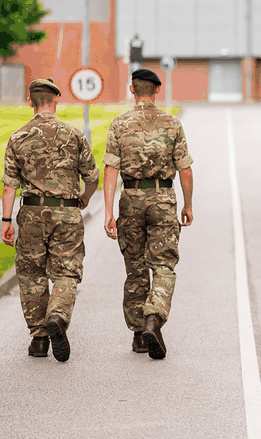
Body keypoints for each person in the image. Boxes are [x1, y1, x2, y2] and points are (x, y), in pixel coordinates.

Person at [1, 78, 99, 362]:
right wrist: (84, 199)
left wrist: (6, 220)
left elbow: (10, 186)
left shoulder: (18, 137)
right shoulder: (74, 134)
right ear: (56, 100)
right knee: (66, 271)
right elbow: (92, 176)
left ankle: (40, 338)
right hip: (67, 211)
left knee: (31, 273)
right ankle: (57, 315)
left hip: (31, 213)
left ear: (30, 102)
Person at [103, 68, 193, 359]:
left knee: (136, 268)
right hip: (163, 198)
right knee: (164, 265)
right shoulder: (172, 123)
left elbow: (110, 169)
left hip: (130, 199)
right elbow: (185, 169)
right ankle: (155, 315)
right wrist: (188, 204)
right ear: (156, 90)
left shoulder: (120, 123)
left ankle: (140, 334)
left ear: (132, 90)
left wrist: (108, 211)